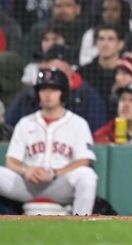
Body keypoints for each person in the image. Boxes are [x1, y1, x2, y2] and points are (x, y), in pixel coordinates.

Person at [0, 69, 97, 215]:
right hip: (27, 185)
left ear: (63, 93)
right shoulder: (25, 123)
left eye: (53, 89)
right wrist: (26, 170)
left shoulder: (78, 123)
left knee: (87, 175)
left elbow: (85, 160)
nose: (47, 94)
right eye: (43, 89)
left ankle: (81, 225)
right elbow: (11, 160)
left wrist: (54, 173)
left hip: (59, 184)